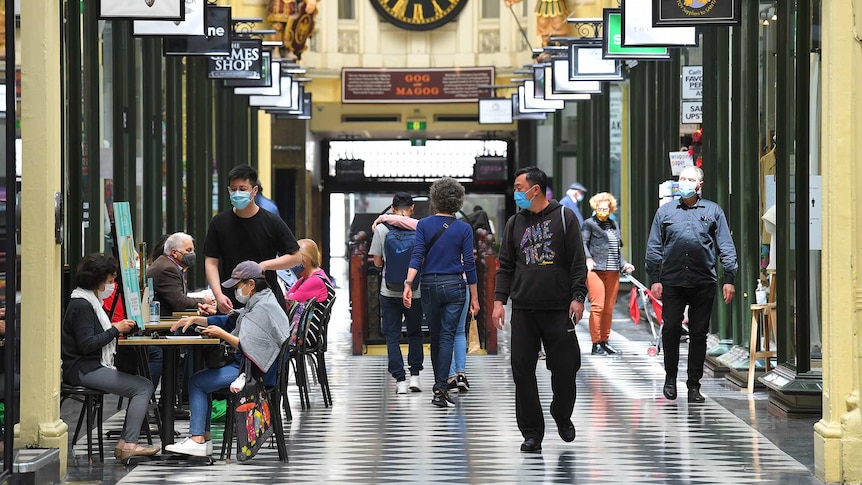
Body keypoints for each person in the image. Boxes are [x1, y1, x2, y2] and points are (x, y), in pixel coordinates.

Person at [491, 166, 588, 453]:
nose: (515, 192)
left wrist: (578, 296)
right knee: (522, 371)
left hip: (558, 308)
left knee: (566, 368)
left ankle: (561, 412)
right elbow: (506, 265)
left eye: (520, 187)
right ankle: (532, 432)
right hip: (523, 309)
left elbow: (577, 262)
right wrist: (499, 301)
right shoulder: (514, 223)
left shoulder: (564, 217)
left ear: (536, 189)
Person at [165, 261, 290, 457]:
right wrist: (198, 319)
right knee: (200, 380)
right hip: (250, 365)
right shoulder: (261, 301)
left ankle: (198, 439)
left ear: (251, 284)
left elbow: (247, 345)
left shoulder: (262, 308)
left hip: (253, 371)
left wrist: (221, 334)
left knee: (197, 382)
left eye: (239, 285)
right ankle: (201, 438)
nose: (236, 291)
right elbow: (234, 320)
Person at [645, 166, 738, 404]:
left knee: (699, 334)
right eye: (682, 178)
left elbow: (725, 245)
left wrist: (729, 278)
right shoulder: (665, 212)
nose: (684, 182)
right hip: (673, 282)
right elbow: (654, 246)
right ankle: (669, 379)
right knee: (671, 329)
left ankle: (694, 385)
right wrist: (654, 278)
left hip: (703, 281)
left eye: (689, 179)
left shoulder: (713, 211)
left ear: (699, 185)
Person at [61, 253, 160, 461]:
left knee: (141, 383)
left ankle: (126, 443)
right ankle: (129, 444)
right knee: (143, 387)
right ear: (97, 279)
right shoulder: (82, 305)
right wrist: (116, 329)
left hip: (88, 366)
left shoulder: (90, 301)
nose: (112, 285)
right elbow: (87, 344)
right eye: (110, 280)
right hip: (83, 369)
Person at [403, 178, 479, 408]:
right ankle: (440, 389)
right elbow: (469, 265)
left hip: (428, 286)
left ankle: (440, 386)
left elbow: (417, 255)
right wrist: (474, 297)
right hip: (455, 286)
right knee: (448, 336)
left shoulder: (424, 225)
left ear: (435, 199)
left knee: (435, 337)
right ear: (458, 200)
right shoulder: (464, 228)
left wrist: (408, 283)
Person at [204, 164, 301, 315]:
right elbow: (211, 261)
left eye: (242, 189)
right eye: (233, 189)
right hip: (229, 301)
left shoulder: (272, 222)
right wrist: (218, 295)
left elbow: (296, 257)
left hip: (266, 301)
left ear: (254, 190)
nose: (237, 193)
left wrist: (264, 265)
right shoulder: (219, 222)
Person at [369, 193, 424, 394]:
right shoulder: (421, 229)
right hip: (414, 291)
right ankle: (415, 377)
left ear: (392, 208)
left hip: (388, 290)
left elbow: (376, 262)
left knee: (392, 335)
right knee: (415, 333)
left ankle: (400, 381)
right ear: (412, 208)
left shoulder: (382, 229)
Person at [581, 192, 635, 356]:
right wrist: (588, 259)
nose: (602, 210)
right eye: (599, 208)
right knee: (598, 306)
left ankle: (605, 341)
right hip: (596, 269)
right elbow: (582, 243)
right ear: (595, 207)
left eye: (606, 208)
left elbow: (616, 249)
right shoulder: (589, 224)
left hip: (612, 270)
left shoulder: (613, 224)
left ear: (611, 209)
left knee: (608, 308)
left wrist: (625, 264)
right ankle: (596, 343)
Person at [285, 239, 336, 350]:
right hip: (305, 332)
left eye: (295, 258)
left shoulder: (315, 281)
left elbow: (287, 303)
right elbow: (287, 298)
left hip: (308, 335)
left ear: (306, 259)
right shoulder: (306, 278)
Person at [149, 232, 213, 317]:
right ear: (174, 253)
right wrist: (204, 301)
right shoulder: (168, 269)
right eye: (188, 250)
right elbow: (179, 302)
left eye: (193, 250)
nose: (192, 254)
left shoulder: (168, 264)